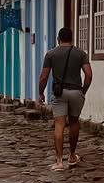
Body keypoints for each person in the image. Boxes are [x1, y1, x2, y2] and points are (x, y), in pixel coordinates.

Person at [38, 25, 92, 171]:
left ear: (58, 39)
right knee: (74, 122)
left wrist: (41, 93)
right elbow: (88, 75)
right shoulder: (80, 54)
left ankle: (59, 161)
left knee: (59, 124)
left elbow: (44, 76)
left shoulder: (51, 54)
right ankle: (72, 155)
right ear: (72, 38)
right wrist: (83, 91)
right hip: (76, 92)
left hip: (59, 93)